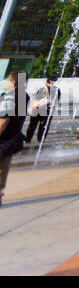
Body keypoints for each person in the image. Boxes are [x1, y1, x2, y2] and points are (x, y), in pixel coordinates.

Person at [0, 70, 27, 207]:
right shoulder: (24, 96)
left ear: (14, 82)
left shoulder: (10, 96)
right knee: (3, 167)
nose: (5, 82)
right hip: (13, 138)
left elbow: (4, 119)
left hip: (3, 139)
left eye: (7, 80)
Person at [24, 76, 56, 144]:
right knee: (42, 126)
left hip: (40, 111)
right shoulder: (53, 90)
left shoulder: (45, 89)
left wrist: (32, 109)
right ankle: (38, 140)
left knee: (35, 126)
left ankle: (30, 139)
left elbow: (36, 100)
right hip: (44, 111)